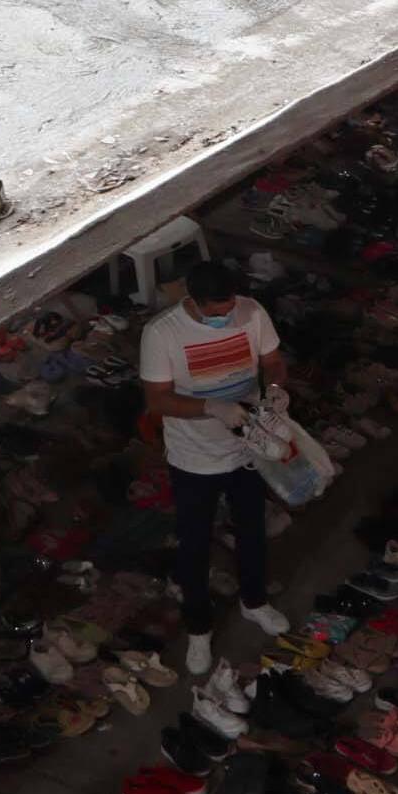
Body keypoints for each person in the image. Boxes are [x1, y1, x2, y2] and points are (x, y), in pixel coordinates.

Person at [140, 261, 292, 675]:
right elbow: (158, 400)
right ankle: (199, 628)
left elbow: (273, 361)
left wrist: (275, 391)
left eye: (229, 306)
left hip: (247, 447)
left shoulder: (251, 312)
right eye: (216, 311)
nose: (225, 316)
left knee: (252, 531)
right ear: (193, 299)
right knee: (194, 545)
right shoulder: (162, 333)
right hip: (194, 458)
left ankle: (255, 601)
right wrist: (210, 407)